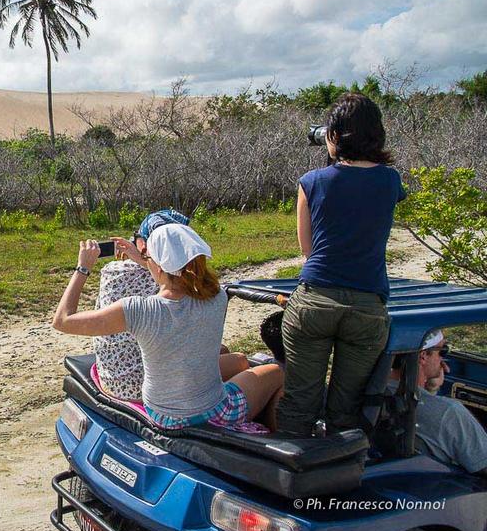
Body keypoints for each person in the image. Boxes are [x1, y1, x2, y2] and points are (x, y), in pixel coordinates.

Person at [53, 223, 284, 431]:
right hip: (214, 413)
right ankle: (280, 439)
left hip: (162, 415)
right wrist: (145, 259)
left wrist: (83, 267)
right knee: (276, 371)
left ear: (159, 267)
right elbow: (178, 277)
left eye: (147, 257)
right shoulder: (217, 297)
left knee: (236, 361)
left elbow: (62, 320)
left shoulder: (138, 310)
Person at [277, 93, 407, 436]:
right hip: (367, 307)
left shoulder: (313, 181)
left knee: (299, 402)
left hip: (315, 299)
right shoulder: (391, 181)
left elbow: (308, 249)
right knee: (347, 407)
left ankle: (291, 477)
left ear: (335, 134)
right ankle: (342, 474)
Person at [93, 209, 248, 401]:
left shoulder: (112, 271)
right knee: (240, 361)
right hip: (151, 382)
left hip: (113, 378)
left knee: (222, 350)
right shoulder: (185, 284)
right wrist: (144, 260)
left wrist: (141, 259)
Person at [390, 331, 487, 474]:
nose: (443, 361)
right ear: (423, 356)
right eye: (442, 351)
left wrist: (431, 391)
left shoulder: (374, 392)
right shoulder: (449, 412)